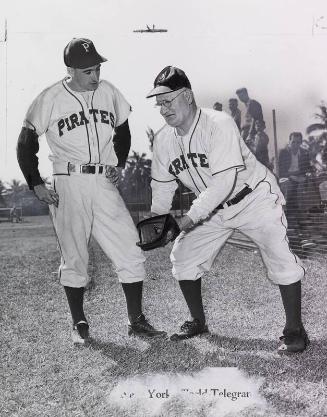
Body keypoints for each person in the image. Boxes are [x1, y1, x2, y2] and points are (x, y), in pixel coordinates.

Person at [146, 66, 309, 354]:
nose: (163, 109)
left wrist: (182, 222)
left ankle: (294, 329)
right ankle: (197, 321)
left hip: (253, 197)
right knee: (183, 257)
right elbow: (161, 187)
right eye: (159, 103)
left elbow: (224, 183)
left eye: (168, 100)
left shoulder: (218, 123)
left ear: (188, 96)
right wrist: (159, 222)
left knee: (280, 257)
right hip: (210, 208)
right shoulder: (162, 141)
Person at [17, 38, 166, 345]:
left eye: (97, 68)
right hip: (68, 182)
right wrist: (36, 183)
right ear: (70, 69)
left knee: (130, 248)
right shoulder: (51, 97)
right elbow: (25, 142)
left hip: (103, 182)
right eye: (87, 71)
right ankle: (78, 322)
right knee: (75, 256)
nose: (94, 76)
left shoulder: (109, 91)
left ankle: (136, 320)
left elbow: (123, 129)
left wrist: (120, 164)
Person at [278, 132, 311, 224]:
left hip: (299, 177)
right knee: (288, 186)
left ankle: (301, 215)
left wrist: (306, 174)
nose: (295, 145)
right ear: (289, 142)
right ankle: (285, 213)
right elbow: (281, 171)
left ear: (301, 143)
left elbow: (307, 168)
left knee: (303, 187)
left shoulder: (304, 153)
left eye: (298, 142)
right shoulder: (283, 152)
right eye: (293, 142)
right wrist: (293, 174)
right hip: (285, 177)